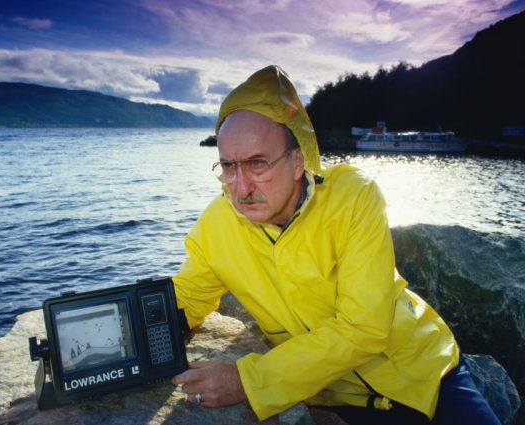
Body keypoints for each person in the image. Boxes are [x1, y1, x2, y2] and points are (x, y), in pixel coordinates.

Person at [171, 65, 500, 425]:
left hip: (422, 372)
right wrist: (127, 337)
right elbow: (185, 300)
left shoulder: (353, 197)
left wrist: (250, 380)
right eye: (228, 167)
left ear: (297, 161)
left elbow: (364, 327)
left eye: (257, 164)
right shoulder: (216, 224)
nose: (241, 187)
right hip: (328, 392)